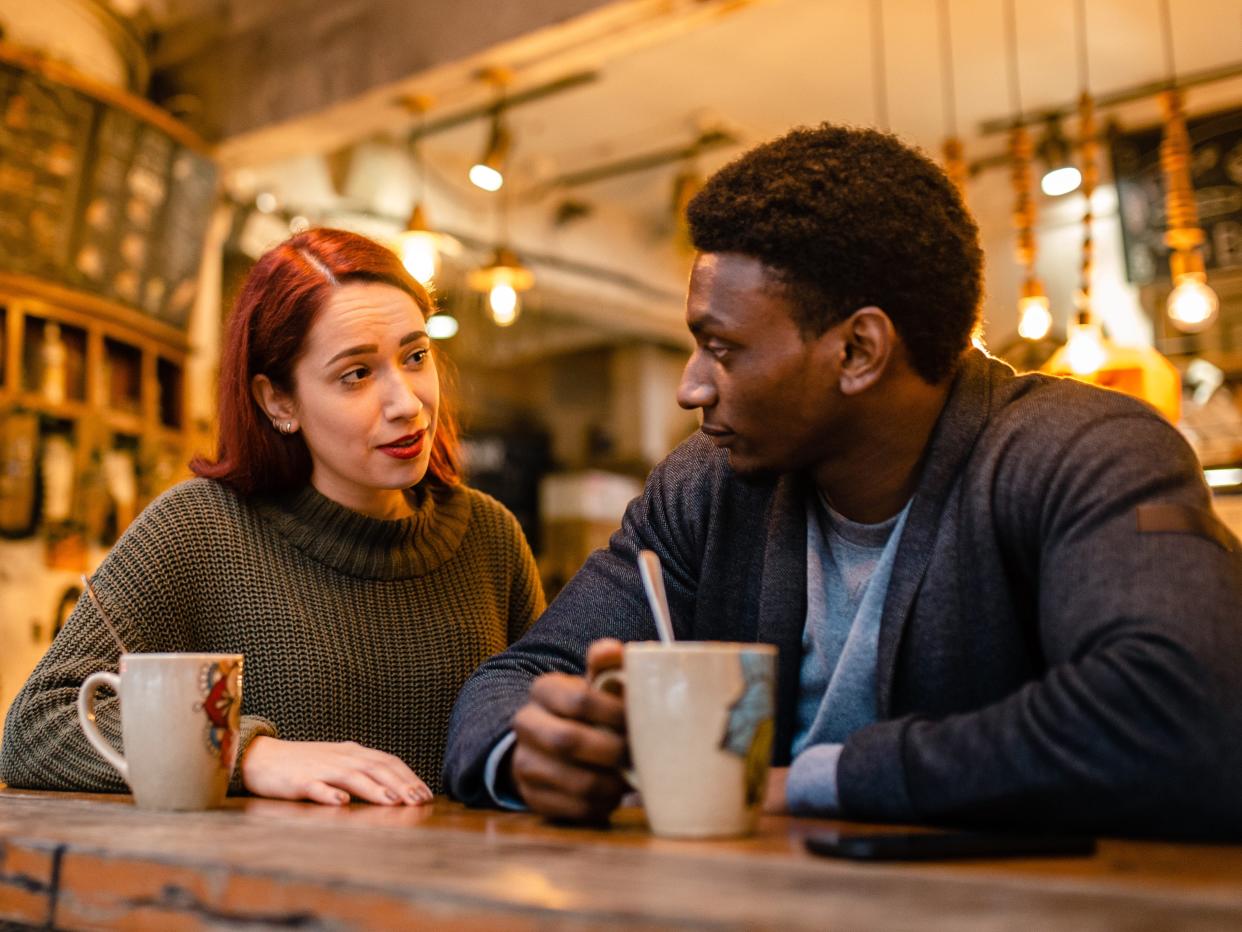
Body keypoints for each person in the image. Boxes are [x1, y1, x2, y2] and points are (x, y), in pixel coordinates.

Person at [442, 124, 1242, 838]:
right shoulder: (707, 485)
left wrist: (814, 781)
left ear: (859, 351)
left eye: (721, 348)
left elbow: (1182, 715)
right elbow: (510, 683)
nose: (691, 387)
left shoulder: (1083, 452)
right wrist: (533, 751)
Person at [1, 228, 544, 806]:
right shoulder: (200, 528)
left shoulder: (490, 537)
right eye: (356, 374)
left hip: (462, 889)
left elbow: (541, 720)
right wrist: (248, 754)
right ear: (278, 401)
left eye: (415, 357)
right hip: (263, 888)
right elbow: (37, 727)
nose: (407, 403)